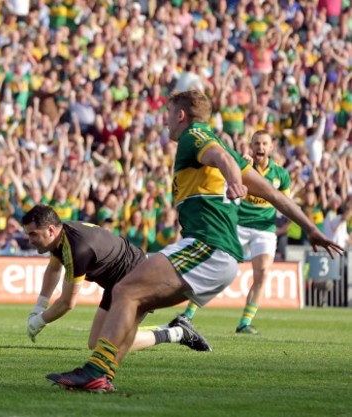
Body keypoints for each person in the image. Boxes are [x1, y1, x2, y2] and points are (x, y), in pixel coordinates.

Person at [45, 90, 344, 392]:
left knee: (124, 289)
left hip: (208, 246)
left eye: (168, 114)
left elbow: (221, 157)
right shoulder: (220, 148)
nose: (165, 123)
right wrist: (311, 229)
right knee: (133, 301)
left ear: (181, 115)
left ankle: (95, 370)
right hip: (218, 255)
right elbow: (275, 195)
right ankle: (102, 374)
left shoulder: (194, 136)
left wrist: (235, 181)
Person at [23, 204, 212, 359]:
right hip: (120, 279)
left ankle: (178, 332)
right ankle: (175, 329)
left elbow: (67, 303)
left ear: (50, 230)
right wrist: (40, 306)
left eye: (33, 234)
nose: (29, 240)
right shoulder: (62, 235)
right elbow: (54, 267)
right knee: (95, 342)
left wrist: (39, 321)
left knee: (110, 343)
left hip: (136, 277)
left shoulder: (77, 249)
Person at [181, 130, 291, 334]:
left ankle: (245, 323)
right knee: (215, 267)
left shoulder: (281, 175)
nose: (260, 147)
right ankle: (188, 314)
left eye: (264, 143)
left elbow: (284, 202)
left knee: (263, 272)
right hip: (238, 224)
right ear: (251, 145)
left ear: (271, 147)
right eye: (257, 143)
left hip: (264, 228)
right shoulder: (242, 165)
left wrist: (289, 225)